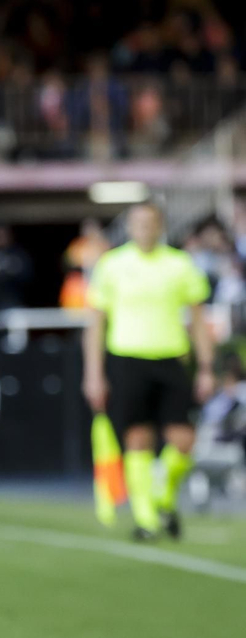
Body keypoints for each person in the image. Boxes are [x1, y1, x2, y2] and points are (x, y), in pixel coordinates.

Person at [83, 203, 215, 541]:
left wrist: (205, 367)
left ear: (160, 226)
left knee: (183, 439)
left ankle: (162, 497)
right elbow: (96, 323)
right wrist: (94, 372)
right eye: (138, 222)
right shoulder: (112, 265)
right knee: (137, 438)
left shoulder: (180, 264)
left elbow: (199, 321)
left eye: (151, 222)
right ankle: (146, 520)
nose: (145, 228)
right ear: (129, 227)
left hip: (171, 358)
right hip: (127, 359)